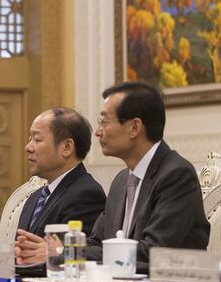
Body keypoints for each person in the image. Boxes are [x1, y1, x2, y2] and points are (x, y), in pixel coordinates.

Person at [86, 82, 209, 263]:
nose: (98, 132)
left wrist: (75, 254)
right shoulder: (121, 181)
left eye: (104, 122)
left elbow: (152, 252)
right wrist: (59, 250)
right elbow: (97, 242)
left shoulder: (177, 176)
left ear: (134, 127)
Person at [14, 108, 106, 265]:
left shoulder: (86, 194)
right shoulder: (35, 196)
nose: (28, 147)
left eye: (36, 139)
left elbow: (71, 260)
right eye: (30, 139)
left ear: (67, 147)